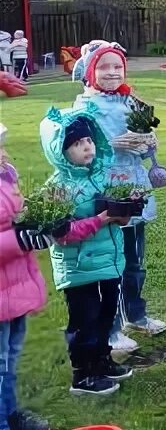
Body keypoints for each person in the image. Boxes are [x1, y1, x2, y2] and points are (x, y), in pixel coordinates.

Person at [71, 40, 166, 353]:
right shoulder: (85, 108)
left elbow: (150, 142)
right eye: (104, 67)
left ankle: (136, 314)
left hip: (135, 186)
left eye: (117, 67)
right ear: (90, 72)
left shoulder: (131, 102)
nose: (112, 73)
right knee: (111, 263)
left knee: (135, 261)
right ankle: (111, 330)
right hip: (107, 191)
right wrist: (115, 144)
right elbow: (78, 152)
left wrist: (148, 141)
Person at [38, 108, 133, 396]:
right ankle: (83, 375)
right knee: (84, 319)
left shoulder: (102, 177)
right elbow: (62, 233)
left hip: (109, 260)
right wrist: (101, 220)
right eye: (78, 144)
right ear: (61, 152)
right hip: (78, 266)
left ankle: (102, 360)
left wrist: (124, 213)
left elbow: (119, 210)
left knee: (106, 314)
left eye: (89, 141)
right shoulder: (56, 189)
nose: (87, 147)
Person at [0, 124, 50, 429]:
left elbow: (14, 215)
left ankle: (10, 412)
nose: (4, 154)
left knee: (11, 356)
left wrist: (40, 217)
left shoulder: (6, 176)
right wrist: (20, 240)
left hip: (14, 283)